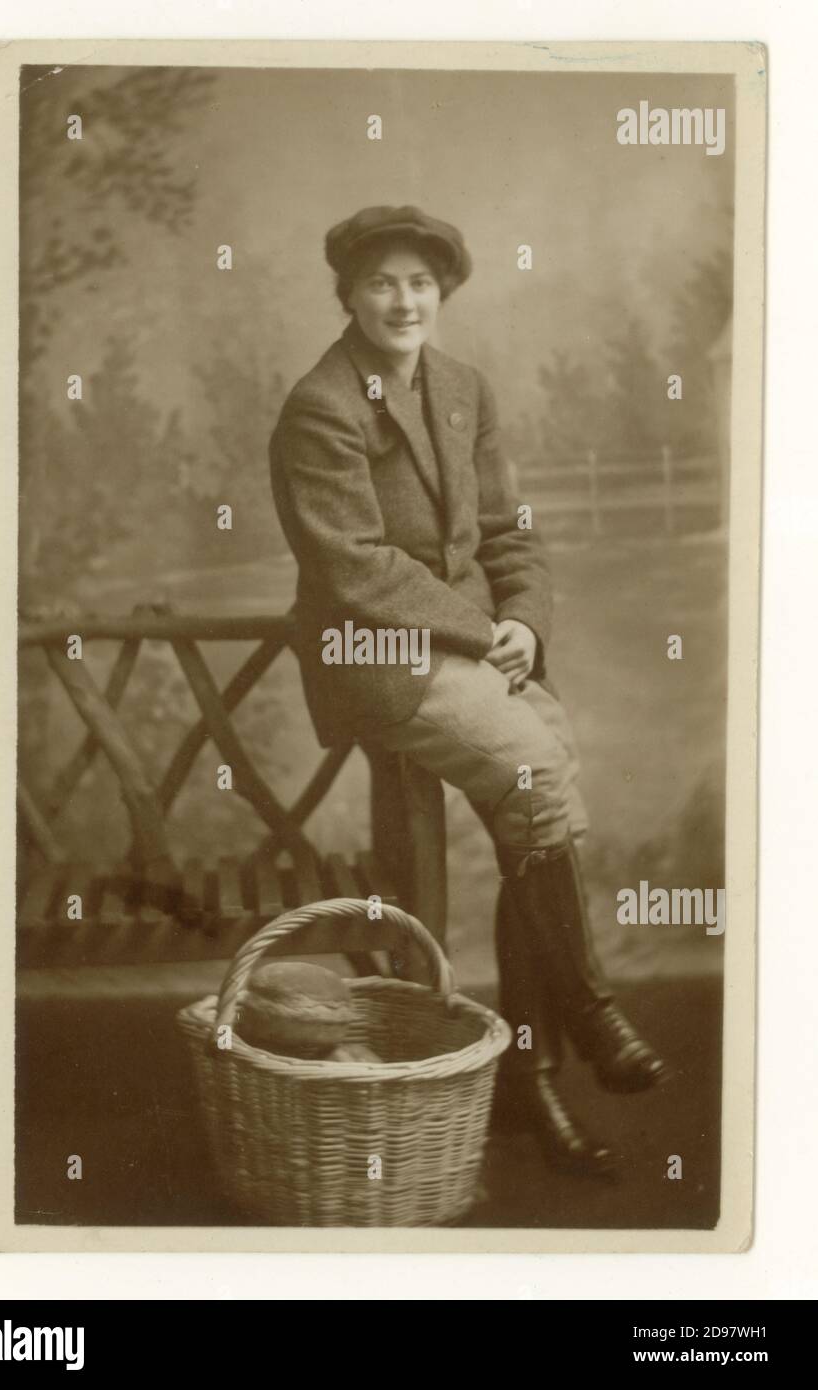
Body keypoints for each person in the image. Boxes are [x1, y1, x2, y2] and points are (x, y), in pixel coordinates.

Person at [269, 205, 669, 1178]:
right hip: (383, 652)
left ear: (442, 290)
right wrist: (476, 629)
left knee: (544, 805)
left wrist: (524, 622)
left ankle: (526, 1076)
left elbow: (510, 532)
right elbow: (353, 568)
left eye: (419, 282)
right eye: (381, 283)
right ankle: (586, 1008)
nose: (403, 300)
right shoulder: (322, 407)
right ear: (348, 294)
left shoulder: (463, 390)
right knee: (536, 768)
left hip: (473, 648)